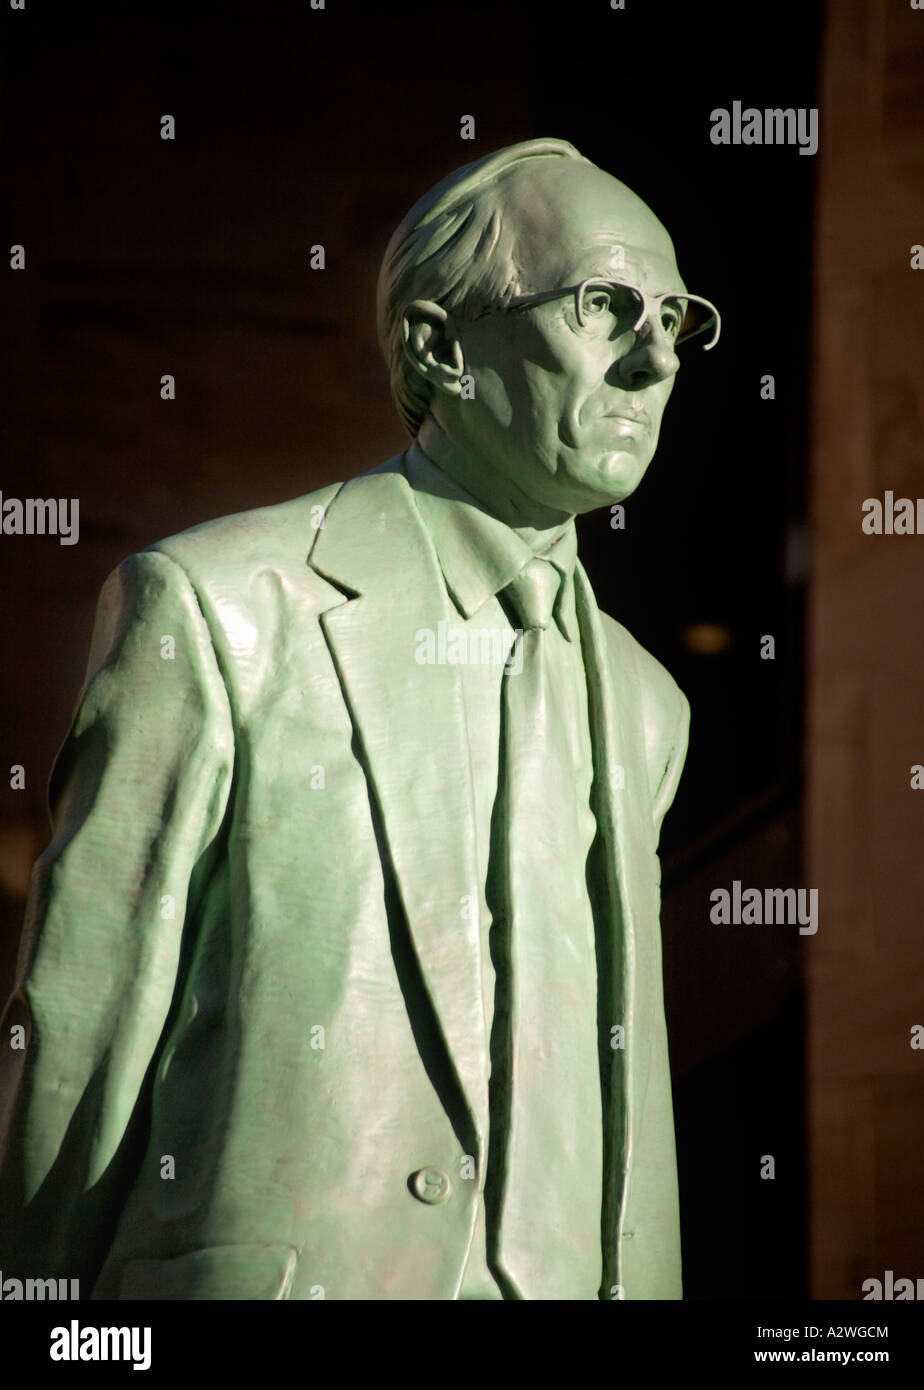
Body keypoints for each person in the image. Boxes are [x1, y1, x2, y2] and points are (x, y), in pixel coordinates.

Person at [0, 137, 719, 1300]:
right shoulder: (222, 611)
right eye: (605, 306)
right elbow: (80, 1029)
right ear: (441, 348)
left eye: (676, 319)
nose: (653, 359)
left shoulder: (648, 706)